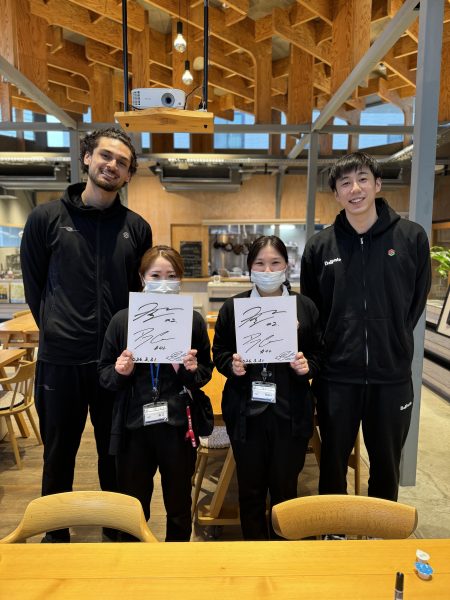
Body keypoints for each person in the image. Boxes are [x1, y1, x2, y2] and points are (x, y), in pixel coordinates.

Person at [20, 127, 152, 542]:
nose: (112, 165)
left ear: (129, 175)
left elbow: (139, 296)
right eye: (106, 156)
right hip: (61, 362)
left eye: (122, 162)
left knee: (115, 453)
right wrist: (57, 329)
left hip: (116, 364)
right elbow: (34, 286)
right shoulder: (46, 219)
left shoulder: (136, 228)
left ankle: (117, 530)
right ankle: (54, 533)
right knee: (59, 453)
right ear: (87, 158)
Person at [300, 151, 431, 505]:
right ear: (336, 194)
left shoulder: (411, 238)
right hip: (336, 378)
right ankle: (334, 528)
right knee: (332, 463)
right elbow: (312, 310)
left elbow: (415, 302)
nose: (354, 189)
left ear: (377, 184)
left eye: (362, 179)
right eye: (345, 183)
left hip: (391, 377)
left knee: (386, 466)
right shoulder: (319, 247)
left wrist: (393, 338)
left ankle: (379, 531)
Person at [98, 245, 213, 541]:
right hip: (133, 426)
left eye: (172, 276)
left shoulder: (192, 321)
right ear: (142, 278)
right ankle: (135, 559)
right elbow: (104, 374)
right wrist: (120, 371)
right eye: (156, 275)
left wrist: (188, 369)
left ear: (181, 279)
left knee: (179, 506)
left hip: (177, 426)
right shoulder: (122, 321)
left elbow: (204, 373)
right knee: (134, 507)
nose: (164, 282)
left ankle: (177, 559)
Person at [212, 235, 322, 540]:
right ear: (250, 267)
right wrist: (231, 365)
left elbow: (319, 353)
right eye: (260, 263)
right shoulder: (234, 308)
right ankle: (255, 551)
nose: (268, 270)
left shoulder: (304, 307)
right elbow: (219, 351)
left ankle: (283, 550)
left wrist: (307, 366)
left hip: (290, 413)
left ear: (286, 266)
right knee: (250, 491)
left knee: (286, 490)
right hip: (246, 413)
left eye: (275, 263)